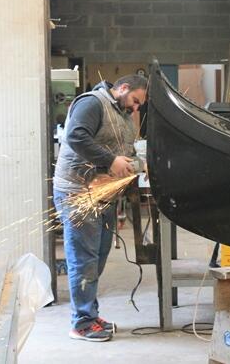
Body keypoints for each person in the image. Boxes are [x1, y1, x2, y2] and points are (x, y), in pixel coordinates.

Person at [53, 74, 147, 342]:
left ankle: (90, 314)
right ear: (123, 88)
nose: (136, 107)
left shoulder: (123, 114)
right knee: (83, 259)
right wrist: (111, 160)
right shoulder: (93, 103)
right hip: (78, 193)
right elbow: (76, 136)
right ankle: (81, 323)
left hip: (103, 194)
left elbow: (122, 151)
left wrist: (138, 161)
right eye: (135, 100)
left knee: (98, 255)